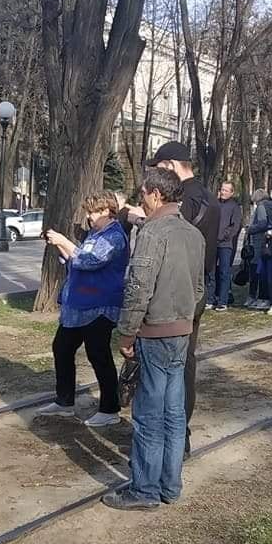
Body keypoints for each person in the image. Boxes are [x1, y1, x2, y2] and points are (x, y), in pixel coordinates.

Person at [103, 167, 204, 511]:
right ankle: (170, 486)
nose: (141, 200)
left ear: (157, 195)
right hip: (181, 332)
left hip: (155, 333)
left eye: (144, 193)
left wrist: (127, 332)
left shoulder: (152, 233)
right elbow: (200, 288)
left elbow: (138, 288)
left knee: (148, 413)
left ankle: (144, 490)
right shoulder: (193, 235)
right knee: (175, 413)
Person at [37, 193, 130, 428]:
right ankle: (64, 401)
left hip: (100, 304)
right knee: (62, 347)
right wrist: (60, 245)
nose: (88, 217)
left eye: (93, 212)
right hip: (79, 304)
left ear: (107, 211)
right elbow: (77, 261)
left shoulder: (114, 236)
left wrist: (64, 241)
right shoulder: (95, 234)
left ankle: (109, 409)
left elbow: (91, 261)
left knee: (98, 355)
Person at [148, 142, 218, 449]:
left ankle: (174, 435)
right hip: (199, 286)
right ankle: (179, 432)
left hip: (177, 289)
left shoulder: (184, 199)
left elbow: (172, 241)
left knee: (170, 364)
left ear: (172, 166)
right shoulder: (209, 197)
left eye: (159, 169)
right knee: (184, 360)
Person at [210, 181, 242, 310]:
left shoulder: (234, 207)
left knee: (224, 272)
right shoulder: (215, 204)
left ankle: (223, 301)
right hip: (212, 243)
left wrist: (224, 236)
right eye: (222, 190)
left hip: (225, 244)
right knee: (210, 272)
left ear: (231, 192)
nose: (223, 192)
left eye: (226, 190)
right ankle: (210, 299)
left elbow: (235, 226)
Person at [245, 188, 272, 309]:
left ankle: (257, 297)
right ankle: (264, 297)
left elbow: (262, 223)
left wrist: (250, 229)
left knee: (256, 269)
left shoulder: (261, 206)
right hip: (268, 240)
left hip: (258, 241)